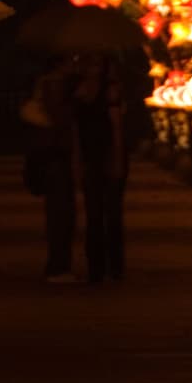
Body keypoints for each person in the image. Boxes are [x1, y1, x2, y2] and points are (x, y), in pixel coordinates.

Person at [20, 56, 79, 283]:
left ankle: (59, 264)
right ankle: (58, 267)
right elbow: (59, 118)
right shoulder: (54, 84)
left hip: (55, 153)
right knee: (60, 211)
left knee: (62, 211)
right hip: (56, 154)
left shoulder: (51, 83)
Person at [73, 53, 127, 284]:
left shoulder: (110, 90)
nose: (92, 67)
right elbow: (75, 128)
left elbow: (116, 128)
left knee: (112, 214)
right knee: (94, 214)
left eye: (97, 62)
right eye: (89, 62)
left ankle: (115, 268)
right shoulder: (78, 90)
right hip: (89, 156)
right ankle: (96, 268)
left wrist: (117, 157)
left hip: (107, 154)